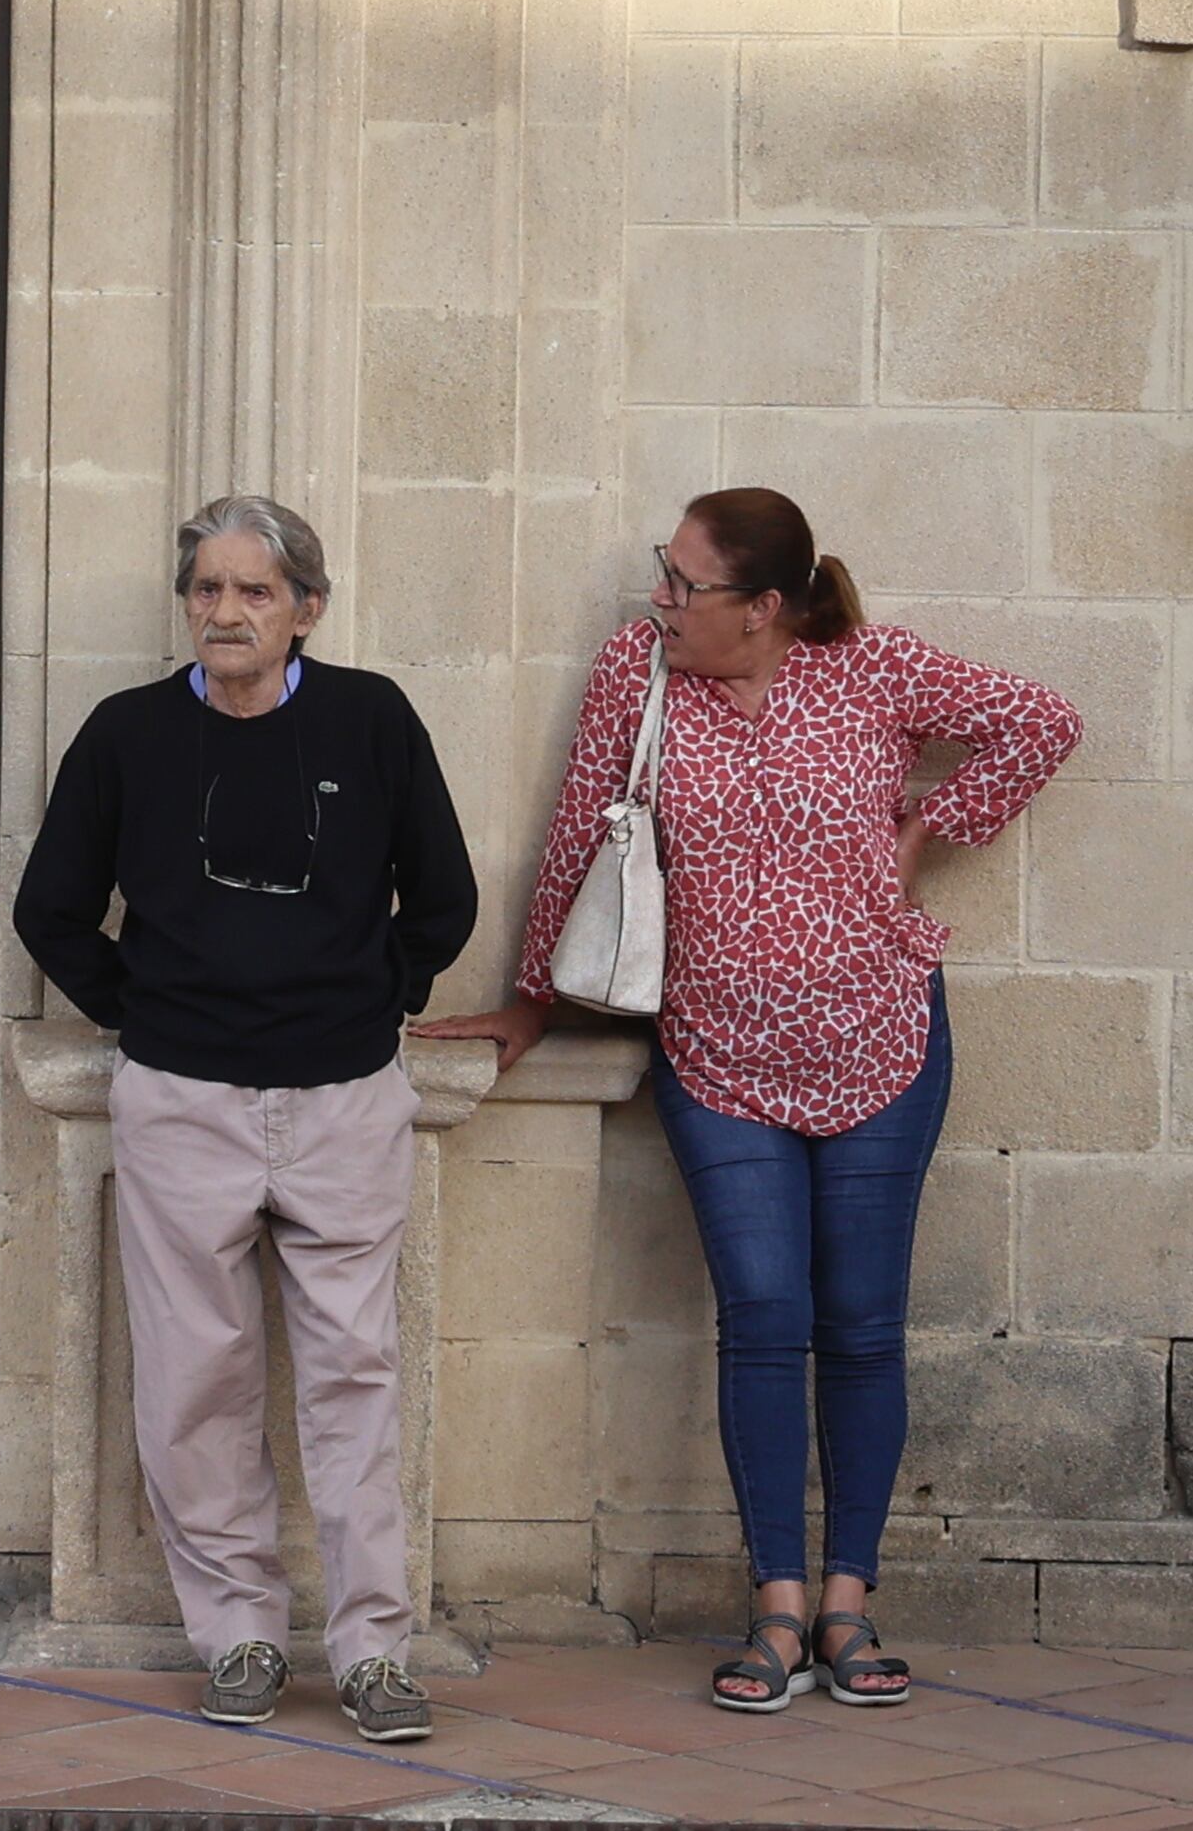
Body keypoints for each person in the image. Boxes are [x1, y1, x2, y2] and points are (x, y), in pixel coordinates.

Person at [417, 489, 1082, 1712]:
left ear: (763, 606)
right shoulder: (641, 668)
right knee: (765, 1311)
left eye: (682, 583)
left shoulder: (870, 667)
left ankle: (847, 1602)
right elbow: (581, 824)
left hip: (881, 1036)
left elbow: (1041, 721)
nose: (658, 600)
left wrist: (928, 830)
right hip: (717, 1055)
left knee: (862, 1321)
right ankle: (776, 1604)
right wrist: (528, 1002)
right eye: (659, 576)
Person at [14, 496, 477, 1743]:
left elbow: (442, 896)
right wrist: (150, 1009)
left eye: (254, 592)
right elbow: (51, 907)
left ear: (305, 608)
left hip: (341, 1097)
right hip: (181, 1100)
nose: (226, 613)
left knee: (353, 1375)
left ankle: (375, 1648)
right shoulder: (124, 734)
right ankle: (240, 1636)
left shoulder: (369, 717)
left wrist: (368, 1001)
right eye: (208, 590)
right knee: (191, 1379)